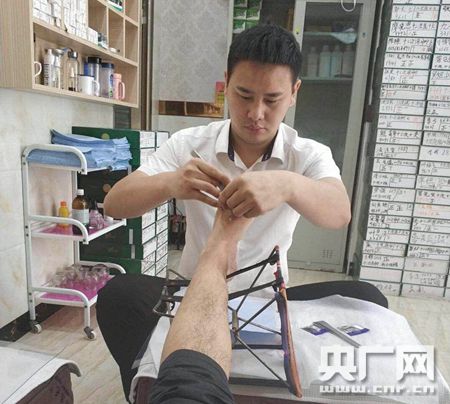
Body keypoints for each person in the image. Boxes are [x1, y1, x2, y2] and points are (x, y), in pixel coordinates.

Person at [97, 24, 388, 401]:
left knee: (367, 298)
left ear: (294, 93)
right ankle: (147, 389)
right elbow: (115, 203)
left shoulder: (307, 154)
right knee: (119, 294)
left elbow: (339, 213)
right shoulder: (190, 145)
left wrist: (288, 184)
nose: (256, 113)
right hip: (192, 291)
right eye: (244, 95)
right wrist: (171, 182)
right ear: (227, 84)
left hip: (267, 297)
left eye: (272, 99)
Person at [149, 208, 251, 404]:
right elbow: (113, 205)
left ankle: (216, 253)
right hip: (198, 282)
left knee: (186, 387)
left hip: (255, 292)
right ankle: (217, 253)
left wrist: (288, 189)